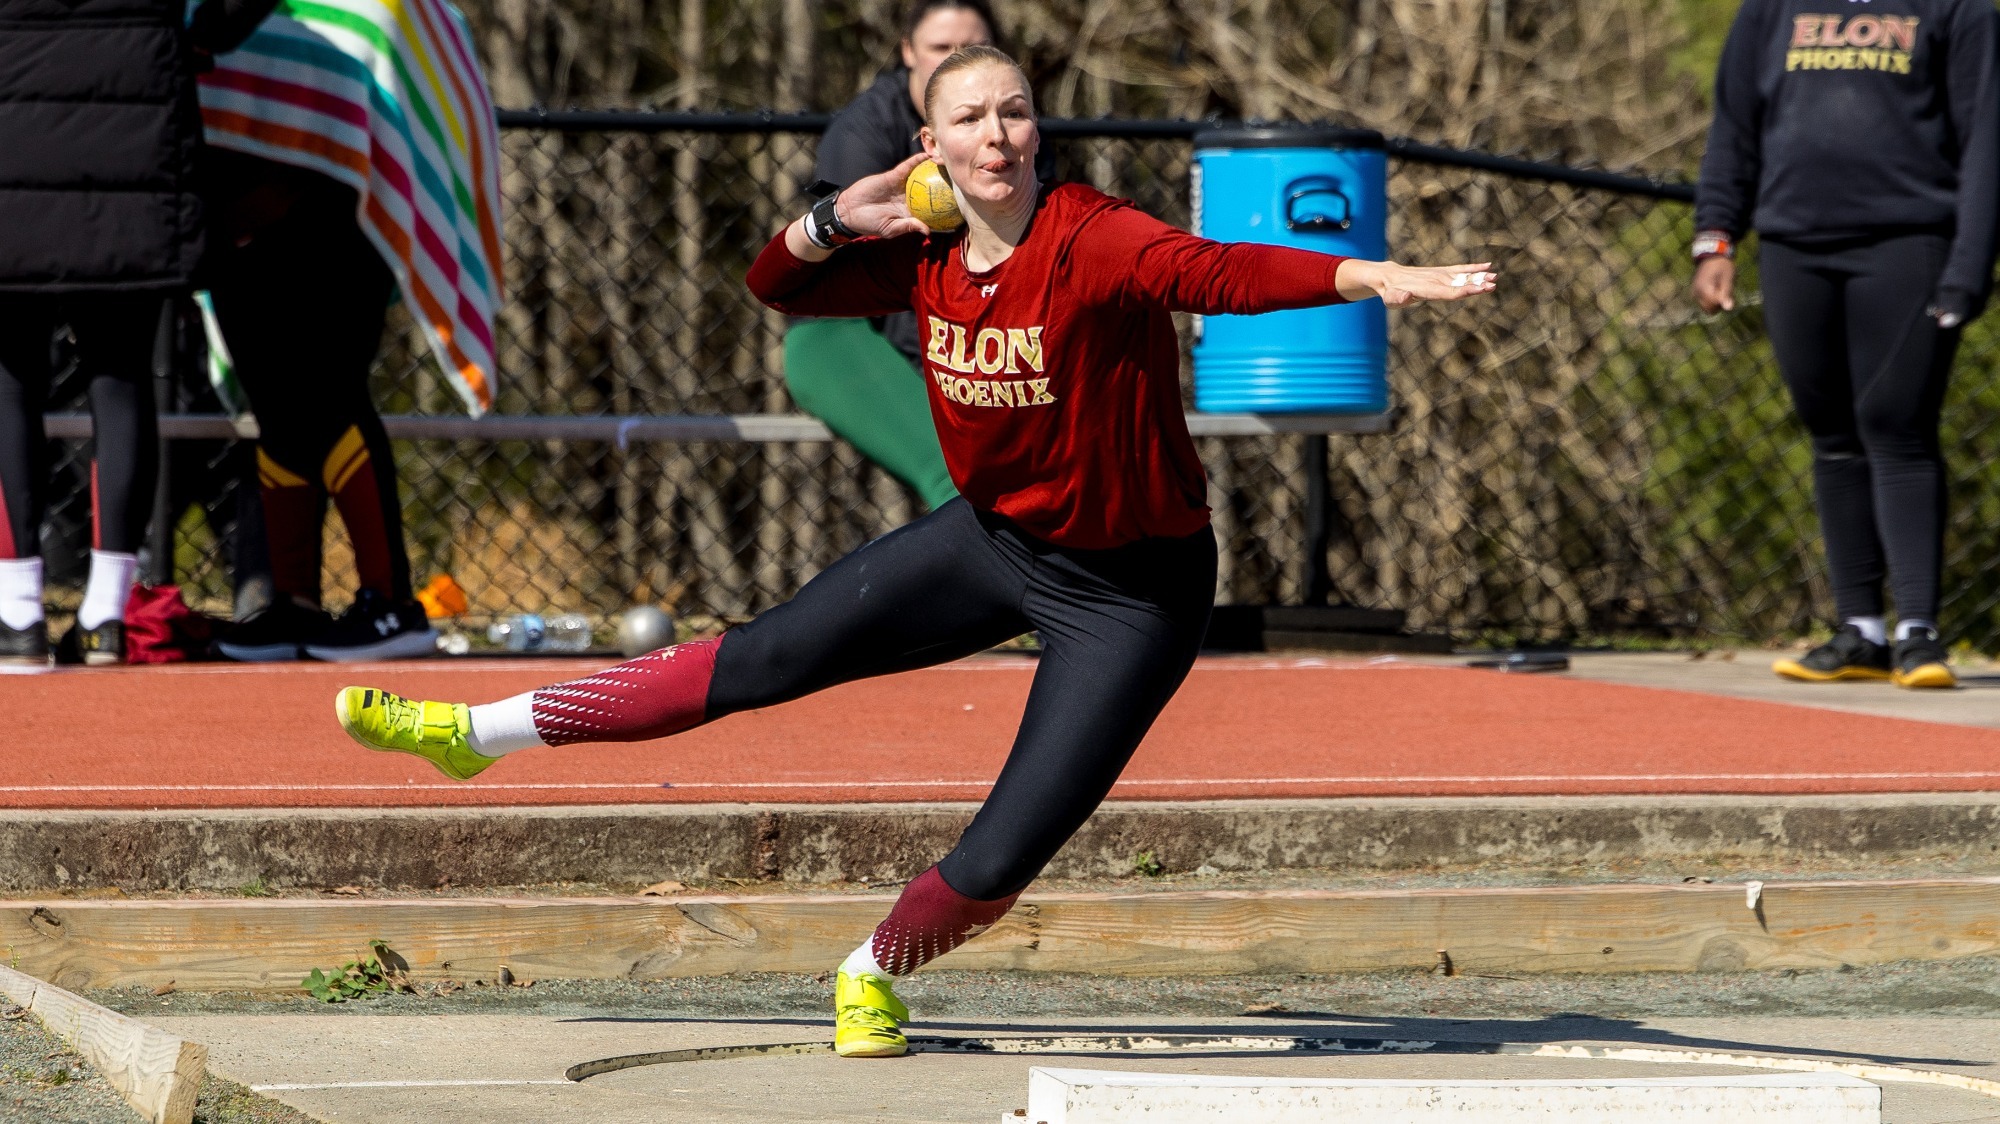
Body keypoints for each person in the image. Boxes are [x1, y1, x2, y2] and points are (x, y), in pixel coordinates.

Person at [333, 46, 1494, 1057]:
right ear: (928, 143)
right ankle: (476, 733)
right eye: (972, 118)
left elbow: (1216, 270)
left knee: (1002, 851)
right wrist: (843, 214)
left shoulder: (1090, 237)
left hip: (1133, 593)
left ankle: (871, 968)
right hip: (993, 541)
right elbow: (774, 284)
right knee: (759, 655)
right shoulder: (919, 254)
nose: (999, 134)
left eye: (1016, 112)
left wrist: (1366, 276)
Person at [1694, 0, 1999, 689]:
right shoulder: (1770, 11)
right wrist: (1716, 237)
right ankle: (1859, 631)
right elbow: (1735, 126)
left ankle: (1919, 633)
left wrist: (1971, 265)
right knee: (1830, 433)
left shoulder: (1960, 10)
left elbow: (1987, 139)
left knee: (1896, 426)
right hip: (1793, 246)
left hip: (1909, 244)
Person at [195, 0, 503, 661]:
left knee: (332, 392)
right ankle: (292, 603)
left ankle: (391, 603)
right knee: (274, 401)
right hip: (226, 198)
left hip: (341, 205)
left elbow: (399, 45)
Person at [0, 0, 277, 666]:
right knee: (120, 374)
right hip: (137, 126)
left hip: (12, 116)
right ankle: (106, 615)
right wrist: (201, 33)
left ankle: (16, 616)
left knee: (7, 378)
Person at [784, 0, 1022, 512]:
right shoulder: (862, 137)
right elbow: (880, 281)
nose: (955, 60)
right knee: (959, 481)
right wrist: (958, 372)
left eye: (972, 48)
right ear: (908, 52)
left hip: (967, 330)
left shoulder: (1009, 133)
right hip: (848, 333)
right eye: (940, 47)